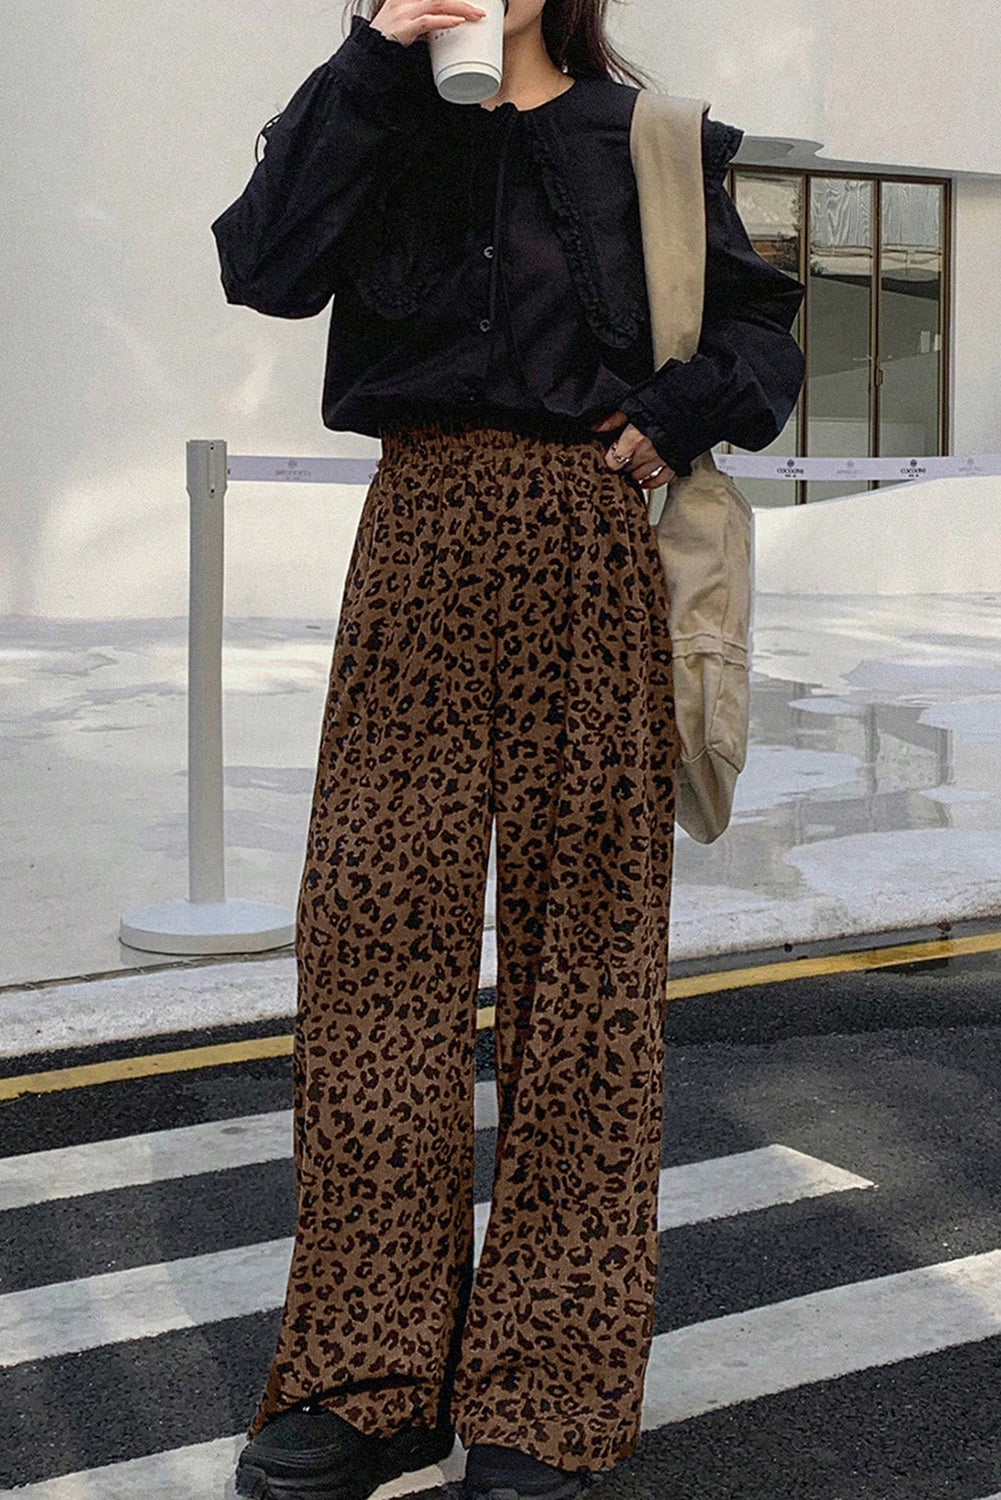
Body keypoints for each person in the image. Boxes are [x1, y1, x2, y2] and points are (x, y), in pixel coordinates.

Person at [210, 0, 804, 1495]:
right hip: (415, 532)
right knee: (371, 950)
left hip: (587, 541)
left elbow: (760, 333)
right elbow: (262, 264)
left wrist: (673, 412)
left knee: (584, 970)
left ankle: (547, 1389)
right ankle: (372, 1377)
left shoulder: (648, 137)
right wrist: (372, 51)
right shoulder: (375, 119)